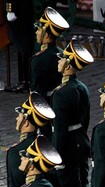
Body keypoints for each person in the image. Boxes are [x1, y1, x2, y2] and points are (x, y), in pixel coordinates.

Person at [52, 40, 94, 187]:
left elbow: (59, 129)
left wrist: (56, 157)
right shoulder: (82, 88)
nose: (58, 61)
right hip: (81, 142)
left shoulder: (61, 93)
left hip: (67, 147)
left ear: (68, 65)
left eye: (62, 59)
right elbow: (85, 119)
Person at [31, 6, 69, 141]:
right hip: (61, 106)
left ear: (46, 34)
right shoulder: (61, 53)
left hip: (46, 107)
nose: (36, 32)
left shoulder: (39, 60)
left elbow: (37, 93)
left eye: (39, 29)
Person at [4, 0, 34, 92]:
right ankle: (26, 80)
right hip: (24, 10)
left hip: (19, 12)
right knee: (24, 45)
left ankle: (25, 81)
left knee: (22, 45)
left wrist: (10, 10)